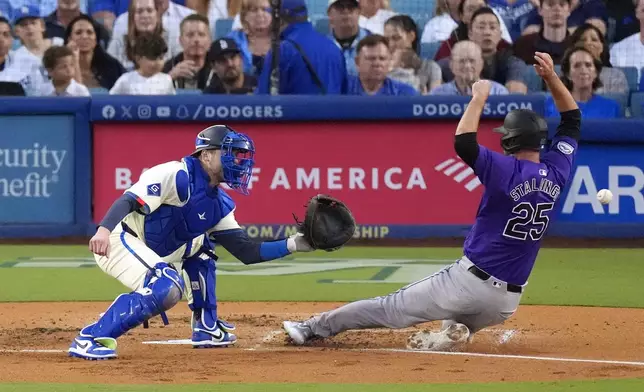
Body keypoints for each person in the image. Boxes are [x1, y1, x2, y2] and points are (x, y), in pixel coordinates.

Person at [283, 52, 582, 353]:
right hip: (506, 303)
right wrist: (553, 79)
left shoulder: (505, 169)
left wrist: (477, 97)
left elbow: (463, 142)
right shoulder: (558, 172)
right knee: (454, 317)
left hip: (468, 283)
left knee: (389, 308)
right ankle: (456, 331)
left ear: (510, 141)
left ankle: (311, 328)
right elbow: (572, 121)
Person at [69, 125, 318, 360]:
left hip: (155, 251)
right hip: (119, 241)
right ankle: (91, 337)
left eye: (240, 155)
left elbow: (247, 251)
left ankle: (206, 326)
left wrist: (295, 244)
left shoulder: (219, 204)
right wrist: (103, 230)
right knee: (166, 287)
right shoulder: (176, 174)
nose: (238, 161)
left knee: (201, 248)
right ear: (207, 155)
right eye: (230, 153)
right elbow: (129, 200)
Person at [255, 0, 347, 95]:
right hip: (332, 110)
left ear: (280, 20)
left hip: (295, 110)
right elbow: (344, 95)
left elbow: (264, 100)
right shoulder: (334, 47)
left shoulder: (282, 50)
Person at [438, 7, 528, 93]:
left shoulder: (512, 63)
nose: (487, 32)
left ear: (500, 35)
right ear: (470, 33)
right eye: (481, 27)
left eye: (492, 27)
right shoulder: (451, 63)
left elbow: (515, 100)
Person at [545, 45, 620, 118]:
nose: (583, 70)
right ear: (568, 74)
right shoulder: (552, 104)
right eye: (577, 65)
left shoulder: (611, 107)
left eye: (588, 65)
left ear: (596, 73)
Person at [64, 14, 124, 90]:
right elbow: (75, 95)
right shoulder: (61, 68)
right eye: (78, 32)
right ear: (69, 39)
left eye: (89, 32)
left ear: (96, 40)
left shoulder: (112, 67)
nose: (84, 36)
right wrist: (74, 60)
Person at [384, 15, 442, 93]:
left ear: (411, 36)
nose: (391, 44)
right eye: (387, 40)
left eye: (396, 38)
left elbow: (435, 101)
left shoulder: (430, 67)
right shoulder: (382, 68)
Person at [347, 34, 418, 96]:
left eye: (382, 59)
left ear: (389, 61)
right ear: (357, 62)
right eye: (371, 58)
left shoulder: (407, 94)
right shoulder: (342, 89)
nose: (377, 63)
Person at [430, 40, 508, 95]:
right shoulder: (437, 94)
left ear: (481, 64)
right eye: (462, 61)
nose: (467, 66)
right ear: (451, 65)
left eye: (472, 61)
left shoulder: (498, 92)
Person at [569, 23, 627, 94]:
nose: (588, 43)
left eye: (594, 40)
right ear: (574, 46)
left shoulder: (616, 76)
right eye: (583, 40)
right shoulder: (566, 75)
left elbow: (617, 103)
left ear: (602, 47)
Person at [109, 33, 175, 94]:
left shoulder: (167, 80)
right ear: (138, 58)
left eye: (161, 58)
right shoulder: (125, 80)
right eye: (152, 58)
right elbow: (111, 100)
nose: (157, 63)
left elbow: (173, 103)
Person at [512, 0, 573, 65]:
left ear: (569, 10)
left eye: (562, 4)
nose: (557, 8)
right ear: (540, 10)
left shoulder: (577, 45)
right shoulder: (522, 45)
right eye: (550, 4)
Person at [163, 14, 212, 90]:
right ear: (180, 40)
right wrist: (170, 78)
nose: (196, 40)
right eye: (190, 35)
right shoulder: (168, 67)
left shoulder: (219, 66)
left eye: (201, 35)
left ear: (209, 40)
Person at [226, 0, 272, 77]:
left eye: (264, 9)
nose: (260, 14)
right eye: (254, 10)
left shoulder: (284, 39)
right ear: (244, 16)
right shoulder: (233, 39)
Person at [327, 0, 371, 77]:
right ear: (329, 14)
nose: (346, 11)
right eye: (340, 7)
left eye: (351, 7)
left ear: (359, 12)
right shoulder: (320, 47)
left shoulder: (375, 43)